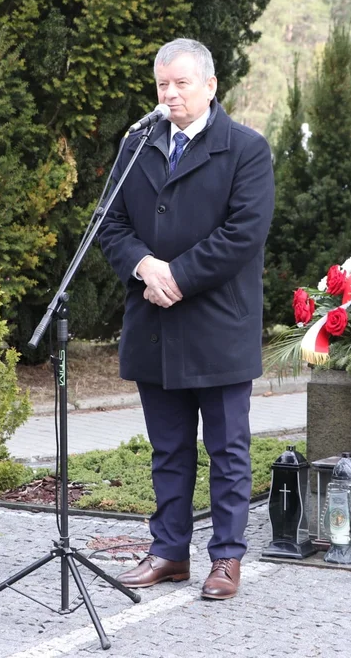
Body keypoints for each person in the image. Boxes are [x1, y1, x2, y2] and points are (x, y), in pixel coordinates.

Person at [97, 38, 274, 600]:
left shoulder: (246, 149)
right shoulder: (138, 144)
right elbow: (110, 223)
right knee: (167, 450)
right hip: (154, 325)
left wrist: (177, 276)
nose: (169, 95)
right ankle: (169, 551)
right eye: (161, 85)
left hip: (218, 326)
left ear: (210, 86)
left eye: (180, 84)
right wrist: (145, 267)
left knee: (228, 452)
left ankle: (225, 559)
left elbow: (243, 233)